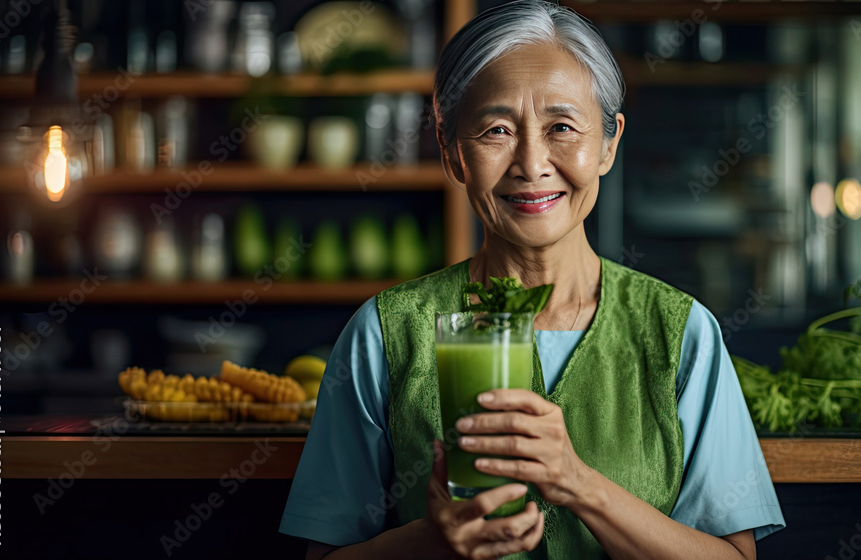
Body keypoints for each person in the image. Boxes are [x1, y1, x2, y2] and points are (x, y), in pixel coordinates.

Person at [280, 1, 785, 558]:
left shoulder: (683, 333)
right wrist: (433, 537)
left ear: (609, 143)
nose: (531, 163)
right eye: (496, 130)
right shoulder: (383, 334)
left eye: (562, 127)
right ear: (452, 152)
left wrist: (578, 484)